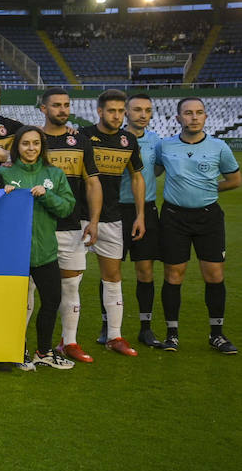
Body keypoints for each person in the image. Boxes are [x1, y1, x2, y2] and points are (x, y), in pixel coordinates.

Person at [157, 97, 240, 353]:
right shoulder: (165, 146)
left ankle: (217, 334)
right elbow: (154, 172)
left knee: (214, 275)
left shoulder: (219, 147)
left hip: (209, 217)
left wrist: (209, 187)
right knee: (173, 275)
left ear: (205, 117)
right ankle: (172, 334)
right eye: (188, 113)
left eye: (199, 113)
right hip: (173, 217)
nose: (194, 117)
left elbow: (235, 180)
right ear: (178, 118)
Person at [1, 126, 77, 370]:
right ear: (17, 147)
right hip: (15, 253)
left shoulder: (54, 174)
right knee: (14, 305)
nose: (31, 148)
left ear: (42, 147)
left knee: (51, 300)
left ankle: (43, 352)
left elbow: (67, 208)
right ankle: (17, 350)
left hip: (45, 251)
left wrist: (47, 195)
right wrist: (3, 195)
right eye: (25, 144)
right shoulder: (5, 174)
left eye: (35, 143)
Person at [81, 89, 146, 357]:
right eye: (112, 111)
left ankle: (114, 336)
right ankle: (65, 339)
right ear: (99, 111)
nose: (117, 116)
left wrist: (141, 214)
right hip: (78, 218)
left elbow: (137, 177)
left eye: (121, 111)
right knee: (69, 281)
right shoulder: (83, 136)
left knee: (113, 278)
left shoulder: (128, 140)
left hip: (112, 218)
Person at [105, 93, 167, 349]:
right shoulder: (114, 140)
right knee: (111, 272)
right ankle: (107, 327)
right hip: (115, 210)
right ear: (126, 113)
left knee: (145, 271)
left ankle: (145, 328)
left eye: (148, 110)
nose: (143, 114)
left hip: (146, 210)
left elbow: (158, 168)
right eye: (137, 109)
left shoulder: (156, 141)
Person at [39, 87, 94, 364]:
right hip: (37, 227)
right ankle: (19, 344)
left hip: (71, 226)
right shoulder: (33, 140)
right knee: (26, 290)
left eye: (66, 105)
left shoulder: (80, 140)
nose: (63, 110)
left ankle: (69, 342)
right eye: (56, 105)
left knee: (71, 287)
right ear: (43, 109)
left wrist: (93, 221)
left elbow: (92, 182)